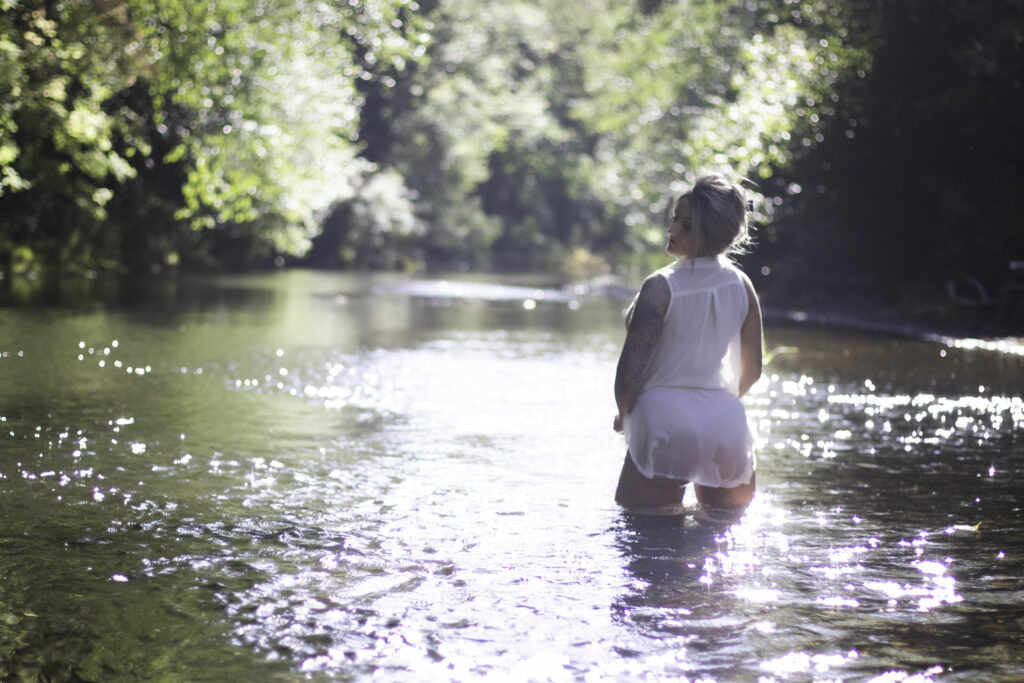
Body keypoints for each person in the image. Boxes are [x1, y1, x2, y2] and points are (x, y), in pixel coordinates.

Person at [612, 173, 763, 512]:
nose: (673, 230)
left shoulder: (660, 285)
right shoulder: (743, 285)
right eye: (675, 220)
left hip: (663, 421)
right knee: (722, 543)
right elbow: (752, 370)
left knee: (645, 542)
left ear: (710, 234)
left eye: (687, 226)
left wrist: (624, 416)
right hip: (726, 424)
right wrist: (711, 406)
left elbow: (629, 374)